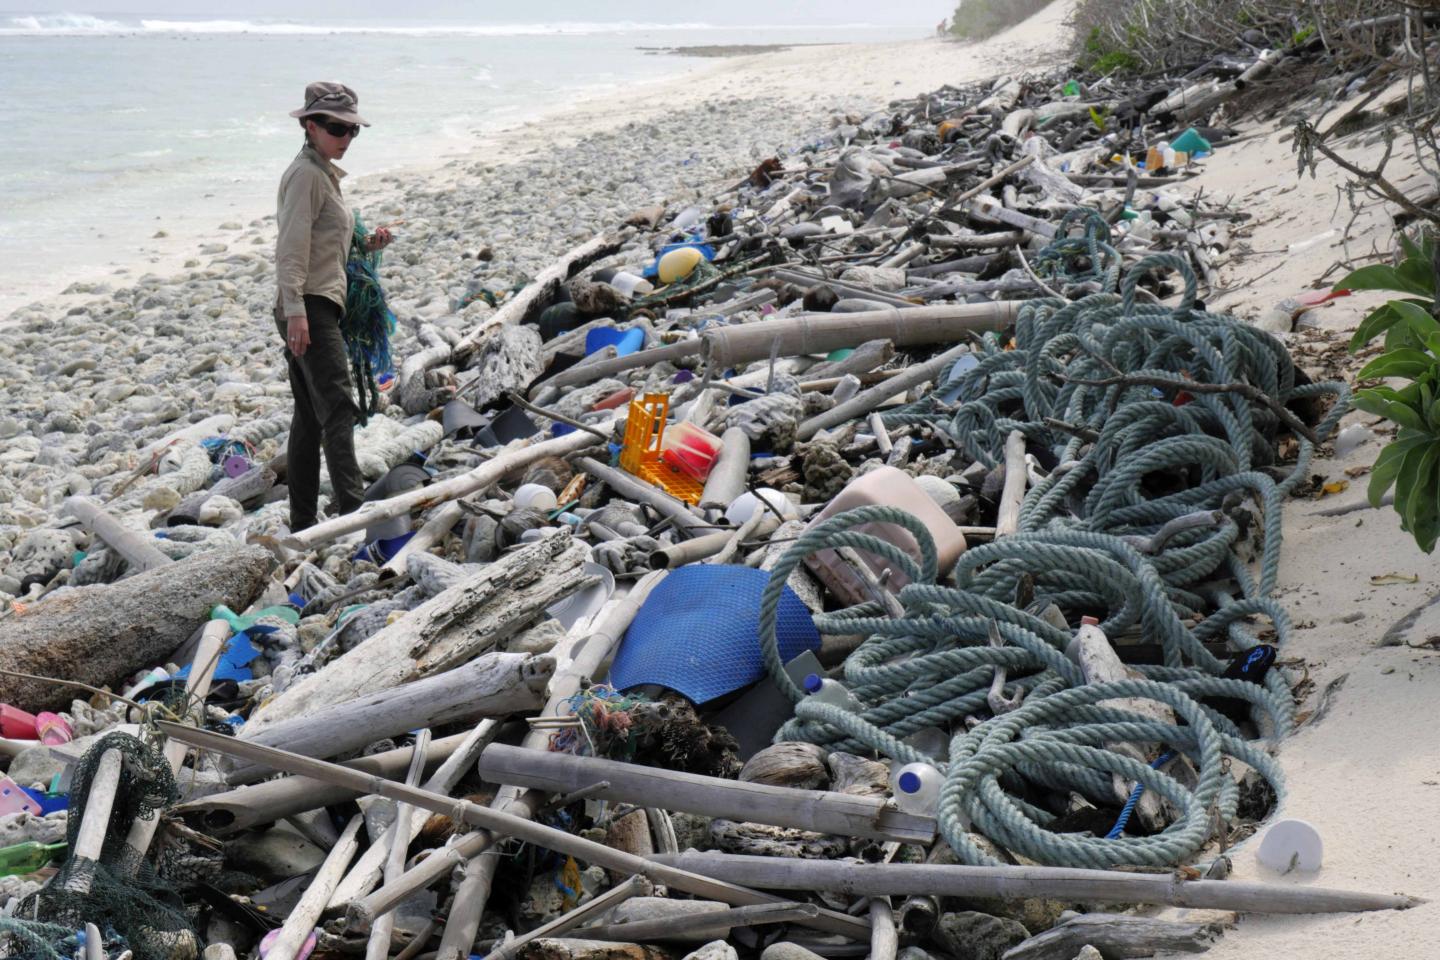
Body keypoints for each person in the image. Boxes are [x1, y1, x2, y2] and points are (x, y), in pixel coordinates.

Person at [274, 81, 392, 532]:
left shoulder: (322, 172)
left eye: (352, 131)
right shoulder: (306, 174)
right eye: (336, 128)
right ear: (310, 125)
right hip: (309, 306)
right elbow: (291, 247)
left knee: (309, 417)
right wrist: (296, 310)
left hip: (317, 301)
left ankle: (304, 522)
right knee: (338, 408)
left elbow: (325, 243)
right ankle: (354, 516)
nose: (345, 138)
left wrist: (367, 243)